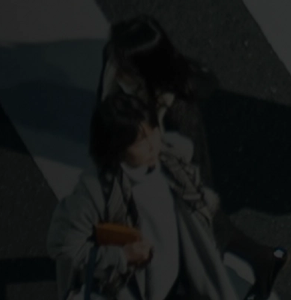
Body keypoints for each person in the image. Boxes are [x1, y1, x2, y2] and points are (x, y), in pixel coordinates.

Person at [100, 18, 289, 297]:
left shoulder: (176, 113)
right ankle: (264, 259)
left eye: (123, 67)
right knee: (212, 232)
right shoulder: (121, 68)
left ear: (145, 69)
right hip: (158, 186)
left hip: (176, 189)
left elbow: (189, 170)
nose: (115, 70)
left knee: (199, 250)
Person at [50, 90, 247, 298]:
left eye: (153, 130)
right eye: (140, 142)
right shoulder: (96, 191)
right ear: (116, 148)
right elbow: (63, 247)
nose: (153, 145)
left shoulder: (171, 160)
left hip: (181, 284)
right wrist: (121, 256)